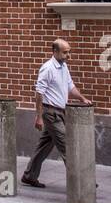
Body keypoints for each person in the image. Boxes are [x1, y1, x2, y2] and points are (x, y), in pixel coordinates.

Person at [21, 38, 91, 188]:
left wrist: (82, 98)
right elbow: (39, 93)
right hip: (50, 113)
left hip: (60, 112)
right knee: (67, 146)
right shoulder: (48, 68)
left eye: (69, 52)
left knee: (44, 146)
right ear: (55, 52)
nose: (68, 55)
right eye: (65, 52)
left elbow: (70, 87)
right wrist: (39, 117)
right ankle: (83, 181)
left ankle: (29, 176)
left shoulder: (63, 67)